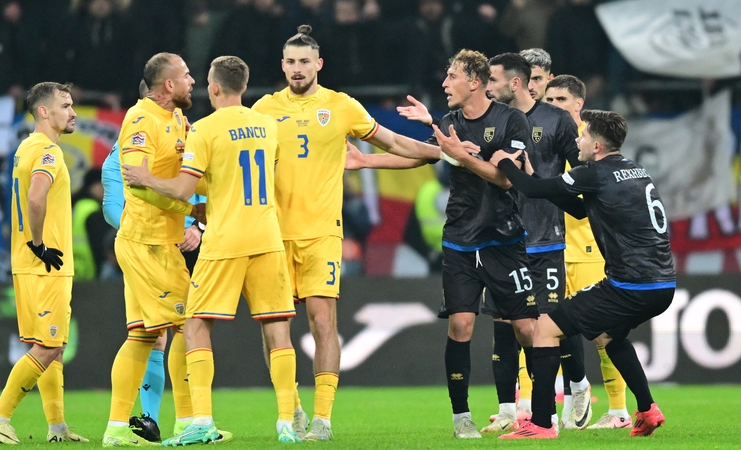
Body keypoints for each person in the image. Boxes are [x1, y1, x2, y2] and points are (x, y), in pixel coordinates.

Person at [352, 48, 538, 439]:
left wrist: (462, 157)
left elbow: (505, 179)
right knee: (461, 324)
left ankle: (537, 415)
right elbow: (423, 154)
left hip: (505, 239)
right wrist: (368, 161)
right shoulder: (449, 123)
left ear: (474, 82)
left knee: (526, 329)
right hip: (460, 241)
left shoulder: (511, 120)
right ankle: (461, 417)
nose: (444, 83)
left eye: (451, 75)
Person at [122, 55, 298, 444]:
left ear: (214, 87)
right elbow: (246, 177)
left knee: (196, 324)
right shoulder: (267, 126)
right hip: (267, 238)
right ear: (244, 87)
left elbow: (183, 189)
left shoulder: (202, 129)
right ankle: (288, 420)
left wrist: (147, 176)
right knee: (277, 328)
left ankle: (200, 419)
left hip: (225, 240)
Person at [494, 109, 674, 439]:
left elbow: (532, 193)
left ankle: (543, 423)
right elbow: (579, 207)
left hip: (629, 285)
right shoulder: (634, 169)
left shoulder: (594, 172)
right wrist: (535, 177)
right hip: (663, 283)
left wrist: (503, 162)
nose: (578, 139)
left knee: (546, 329)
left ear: (597, 146)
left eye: (584, 135)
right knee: (609, 336)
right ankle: (648, 410)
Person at [250, 24, 384, 441]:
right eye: (290, 61)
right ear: (283, 65)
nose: (296, 68)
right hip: (272, 234)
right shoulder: (263, 110)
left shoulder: (341, 106)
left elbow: (388, 140)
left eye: (304, 61)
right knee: (274, 327)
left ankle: (323, 418)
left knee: (323, 320)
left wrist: (440, 154)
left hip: (323, 233)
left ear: (319, 64)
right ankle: (292, 408)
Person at [480, 52, 591, 433]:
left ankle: (575, 388)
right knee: (504, 327)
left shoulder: (555, 120)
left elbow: (584, 171)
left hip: (545, 240)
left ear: (515, 82)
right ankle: (513, 411)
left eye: (492, 80)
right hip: (500, 240)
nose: (487, 87)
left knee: (550, 325)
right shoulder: (488, 118)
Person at [102, 52, 204, 447]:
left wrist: (201, 212)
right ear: (168, 85)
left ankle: (118, 430)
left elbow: (187, 174)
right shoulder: (141, 120)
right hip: (145, 243)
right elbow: (139, 183)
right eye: (186, 75)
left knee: (144, 336)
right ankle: (190, 423)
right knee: (188, 324)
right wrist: (189, 209)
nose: (192, 80)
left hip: (163, 244)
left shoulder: (177, 119)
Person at [0, 82, 87, 444]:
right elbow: (36, 197)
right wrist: (40, 245)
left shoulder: (25, 147)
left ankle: (57, 427)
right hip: (46, 264)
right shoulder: (48, 152)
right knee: (49, 346)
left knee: (49, 346)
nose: (72, 112)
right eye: (66, 105)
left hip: (26, 264)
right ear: (44, 111)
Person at [546, 74, 632, 429]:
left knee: (603, 334)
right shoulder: (542, 137)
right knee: (544, 327)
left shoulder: (590, 143)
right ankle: (565, 394)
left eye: (560, 101)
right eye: (548, 102)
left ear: (578, 105)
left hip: (589, 248)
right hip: (549, 247)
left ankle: (619, 410)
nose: (552, 108)